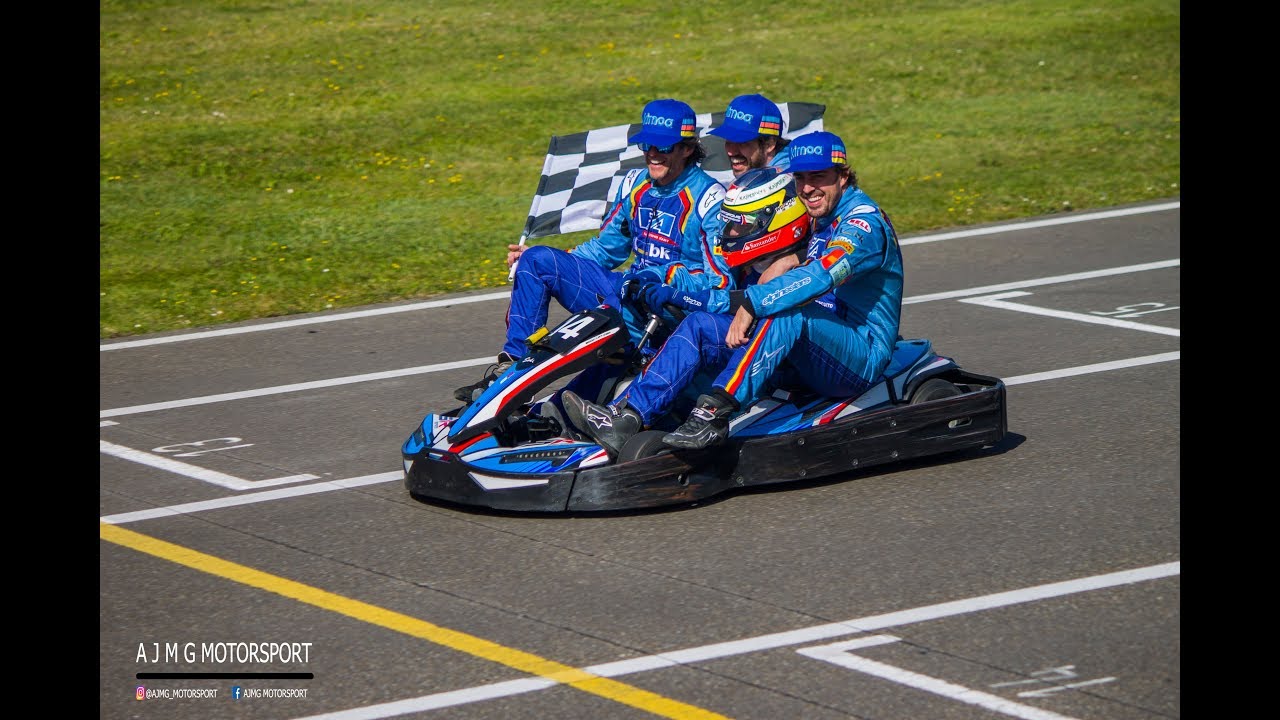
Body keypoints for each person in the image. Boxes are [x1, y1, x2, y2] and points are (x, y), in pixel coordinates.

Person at [454, 98, 732, 404]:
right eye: (647, 145)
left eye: (662, 148)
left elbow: (718, 283)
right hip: (624, 292)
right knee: (537, 260)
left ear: (687, 149)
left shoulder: (710, 199)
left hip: (665, 311)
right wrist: (552, 258)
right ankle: (511, 370)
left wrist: (663, 276)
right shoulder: (635, 184)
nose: (652, 154)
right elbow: (605, 250)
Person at [657, 130, 904, 450]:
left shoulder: (862, 224)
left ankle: (714, 411)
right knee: (701, 322)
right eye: (800, 178)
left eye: (819, 176)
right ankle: (630, 414)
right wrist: (790, 257)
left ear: (843, 177)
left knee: (783, 311)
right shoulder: (822, 209)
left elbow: (823, 273)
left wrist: (752, 303)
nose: (808, 187)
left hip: (860, 354)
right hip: (819, 338)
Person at [559, 167, 813, 458]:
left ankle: (630, 419)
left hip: (792, 361)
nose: (729, 234)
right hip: (750, 350)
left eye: (738, 226)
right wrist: (676, 292)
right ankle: (617, 417)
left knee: (700, 328)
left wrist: (689, 300)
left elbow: (757, 306)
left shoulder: (802, 264)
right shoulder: (754, 265)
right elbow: (728, 299)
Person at [708, 93, 792, 176]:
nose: (731, 152)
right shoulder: (759, 174)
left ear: (769, 145)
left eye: (742, 143)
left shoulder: (788, 180)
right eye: (729, 142)